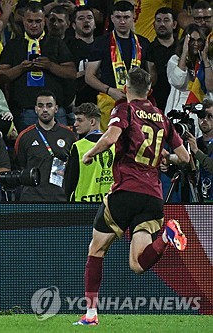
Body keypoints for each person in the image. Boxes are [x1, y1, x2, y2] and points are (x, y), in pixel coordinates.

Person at [74, 67, 190, 326]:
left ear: (126, 89)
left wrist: (90, 153)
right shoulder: (162, 117)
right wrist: (166, 157)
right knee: (138, 264)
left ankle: (91, 315)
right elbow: (184, 158)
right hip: (153, 198)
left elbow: (111, 136)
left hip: (126, 191)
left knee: (96, 249)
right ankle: (166, 237)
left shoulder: (124, 109)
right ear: (149, 90)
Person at [0, 1, 76, 131]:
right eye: (30, 21)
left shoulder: (57, 43)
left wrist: (50, 66)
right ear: (23, 21)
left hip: (55, 111)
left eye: (38, 21)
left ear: (44, 21)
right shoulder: (13, 45)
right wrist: (20, 68)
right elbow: (0, 76)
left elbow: (71, 73)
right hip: (24, 111)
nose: (34, 25)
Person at [84, 1, 150, 132]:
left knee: (136, 142)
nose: (122, 21)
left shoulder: (143, 43)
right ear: (112, 18)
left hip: (138, 102)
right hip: (109, 102)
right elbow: (89, 76)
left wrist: (142, 91)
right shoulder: (101, 42)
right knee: (110, 142)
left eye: (126, 17)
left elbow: (151, 74)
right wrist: (110, 91)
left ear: (133, 18)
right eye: (118, 17)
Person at [14, 90, 77, 201]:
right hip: (31, 200)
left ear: (56, 109)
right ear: (35, 109)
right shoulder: (24, 136)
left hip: (60, 199)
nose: (44, 110)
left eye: (49, 106)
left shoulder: (69, 135)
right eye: (40, 106)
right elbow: (20, 164)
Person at [165, 23, 213, 137]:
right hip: (180, 110)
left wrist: (205, 60)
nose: (195, 44)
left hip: (201, 111)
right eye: (191, 40)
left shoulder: (208, 62)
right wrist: (184, 52)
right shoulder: (175, 60)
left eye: (199, 40)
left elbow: (210, 87)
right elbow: (177, 82)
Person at [64, 102, 114, 202]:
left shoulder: (78, 147)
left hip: (83, 203)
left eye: (79, 120)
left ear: (92, 121)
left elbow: (70, 181)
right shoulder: (114, 145)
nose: (75, 124)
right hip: (110, 203)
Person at [64, 6, 98, 106]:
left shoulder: (103, 46)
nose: (86, 21)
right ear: (73, 25)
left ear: (95, 24)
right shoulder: (66, 46)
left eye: (89, 18)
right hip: (73, 102)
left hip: (99, 101)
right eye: (81, 18)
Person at [146, 7, 178, 112]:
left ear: (174, 25)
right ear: (154, 25)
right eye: (158, 20)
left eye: (166, 20)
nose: (162, 24)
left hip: (179, 100)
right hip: (155, 103)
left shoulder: (182, 48)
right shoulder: (147, 49)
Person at [186, 99, 213, 202]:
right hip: (198, 201)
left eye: (210, 116)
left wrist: (196, 152)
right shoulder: (195, 143)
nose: (204, 120)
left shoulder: (195, 147)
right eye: (201, 116)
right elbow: (189, 172)